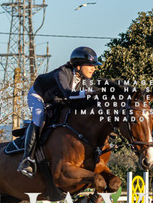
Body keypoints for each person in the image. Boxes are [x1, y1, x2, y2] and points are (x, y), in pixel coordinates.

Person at [17, 46, 102, 178]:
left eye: (94, 66)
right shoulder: (62, 73)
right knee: (39, 116)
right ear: (78, 66)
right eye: (90, 65)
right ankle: (27, 159)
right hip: (39, 95)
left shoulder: (86, 80)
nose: (93, 68)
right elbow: (68, 94)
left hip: (57, 100)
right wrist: (88, 93)